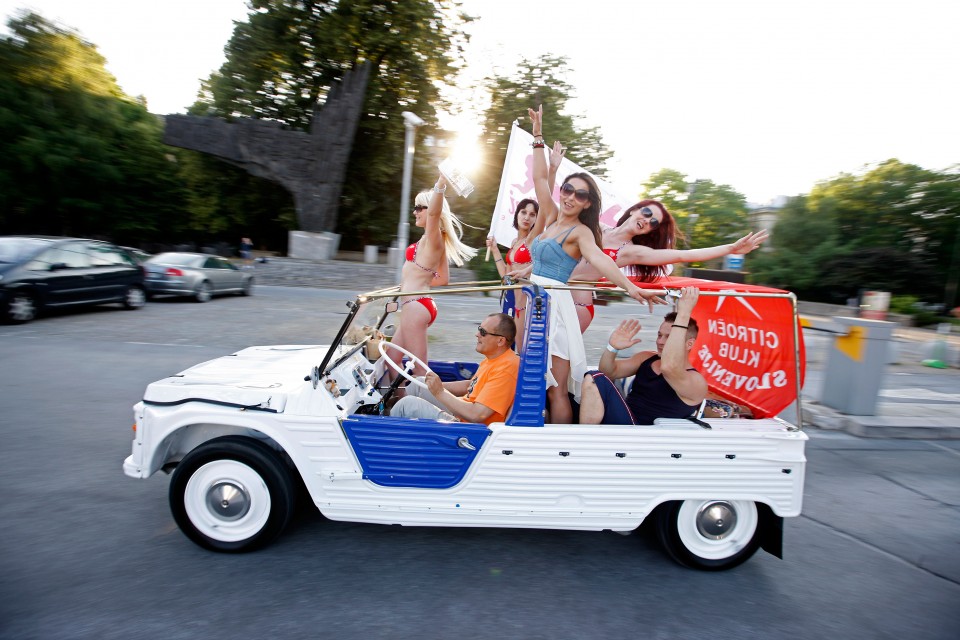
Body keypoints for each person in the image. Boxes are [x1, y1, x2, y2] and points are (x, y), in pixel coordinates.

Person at [511, 105, 665, 425]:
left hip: (556, 308)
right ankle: (531, 431)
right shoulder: (551, 217)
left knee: (556, 388)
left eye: (580, 195)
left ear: (587, 203)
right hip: (535, 302)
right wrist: (538, 135)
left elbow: (600, 260)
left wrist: (632, 288)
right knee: (532, 378)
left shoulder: (581, 232)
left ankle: (561, 444)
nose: (570, 197)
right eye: (568, 189)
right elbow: (539, 178)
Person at [569, 202, 768, 331]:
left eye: (653, 222)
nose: (647, 220)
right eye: (646, 213)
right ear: (634, 210)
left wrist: (731, 248)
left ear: (650, 230)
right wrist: (553, 170)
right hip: (555, 289)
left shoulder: (633, 252)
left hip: (578, 305)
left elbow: (683, 255)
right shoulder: (595, 227)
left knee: (557, 362)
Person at [579, 286, 708, 425]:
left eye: (669, 337)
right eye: (659, 335)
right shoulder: (646, 358)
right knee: (577, 389)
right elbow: (608, 372)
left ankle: (586, 437)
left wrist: (684, 313)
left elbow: (669, 367)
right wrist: (612, 348)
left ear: (689, 344)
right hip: (624, 419)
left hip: (644, 432)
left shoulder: (696, 382)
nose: (660, 341)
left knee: (594, 378)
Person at [390, 174, 477, 376]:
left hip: (416, 305)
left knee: (420, 369)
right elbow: (444, 279)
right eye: (415, 208)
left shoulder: (433, 236)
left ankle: (429, 397)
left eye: (419, 207)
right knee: (392, 359)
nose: (415, 212)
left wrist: (440, 185)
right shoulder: (432, 240)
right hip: (417, 303)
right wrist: (421, 281)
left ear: (430, 209)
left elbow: (434, 215)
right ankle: (400, 396)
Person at [392, 313, 520, 425]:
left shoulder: (506, 369)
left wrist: (439, 392)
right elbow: (471, 385)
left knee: (406, 405)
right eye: (479, 329)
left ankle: (387, 431)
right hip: (463, 413)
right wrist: (435, 385)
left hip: (469, 428)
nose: (477, 335)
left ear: (500, 341)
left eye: (483, 332)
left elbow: (477, 415)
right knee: (419, 384)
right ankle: (391, 415)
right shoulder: (494, 358)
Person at [486, 198, 538, 349]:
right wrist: (495, 249)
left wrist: (526, 271)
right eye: (523, 212)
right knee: (509, 345)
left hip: (526, 299)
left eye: (532, 214)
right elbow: (506, 276)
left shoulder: (534, 240)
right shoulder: (515, 241)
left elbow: (542, 262)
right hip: (511, 298)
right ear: (517, 215)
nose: (527, 217)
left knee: (522, 346)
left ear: (537, 219)